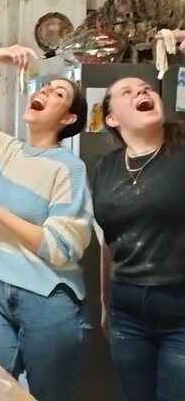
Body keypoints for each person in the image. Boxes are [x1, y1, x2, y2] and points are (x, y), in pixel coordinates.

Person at [0, 45, 92, 401]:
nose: (43, 92)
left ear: (68, 119)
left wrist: (0, 215)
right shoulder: (4, 150)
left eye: (58, 94)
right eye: (43, 87)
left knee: (48, 395)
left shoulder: (69, 168)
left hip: (48, 299)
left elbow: (62, 247)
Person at [94, 75, 185, 401]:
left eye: (145, 88)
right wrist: (105, 302)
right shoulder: (106, 166)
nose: (142, 91)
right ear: (112, 118)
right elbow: (109, 240)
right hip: (127, 309)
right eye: (127, 92)